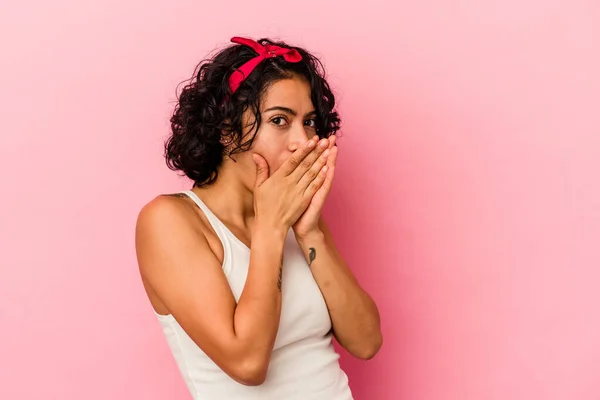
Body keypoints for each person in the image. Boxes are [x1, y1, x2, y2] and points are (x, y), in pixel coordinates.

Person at [135, 36, 382, 400]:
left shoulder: (298, 215)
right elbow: (248, 364)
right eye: (280, 120)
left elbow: (366, 341)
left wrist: (311, 233)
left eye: (310, 121)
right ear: (226, 129)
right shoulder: (170, 221)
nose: (303, 141)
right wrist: (271, 228)